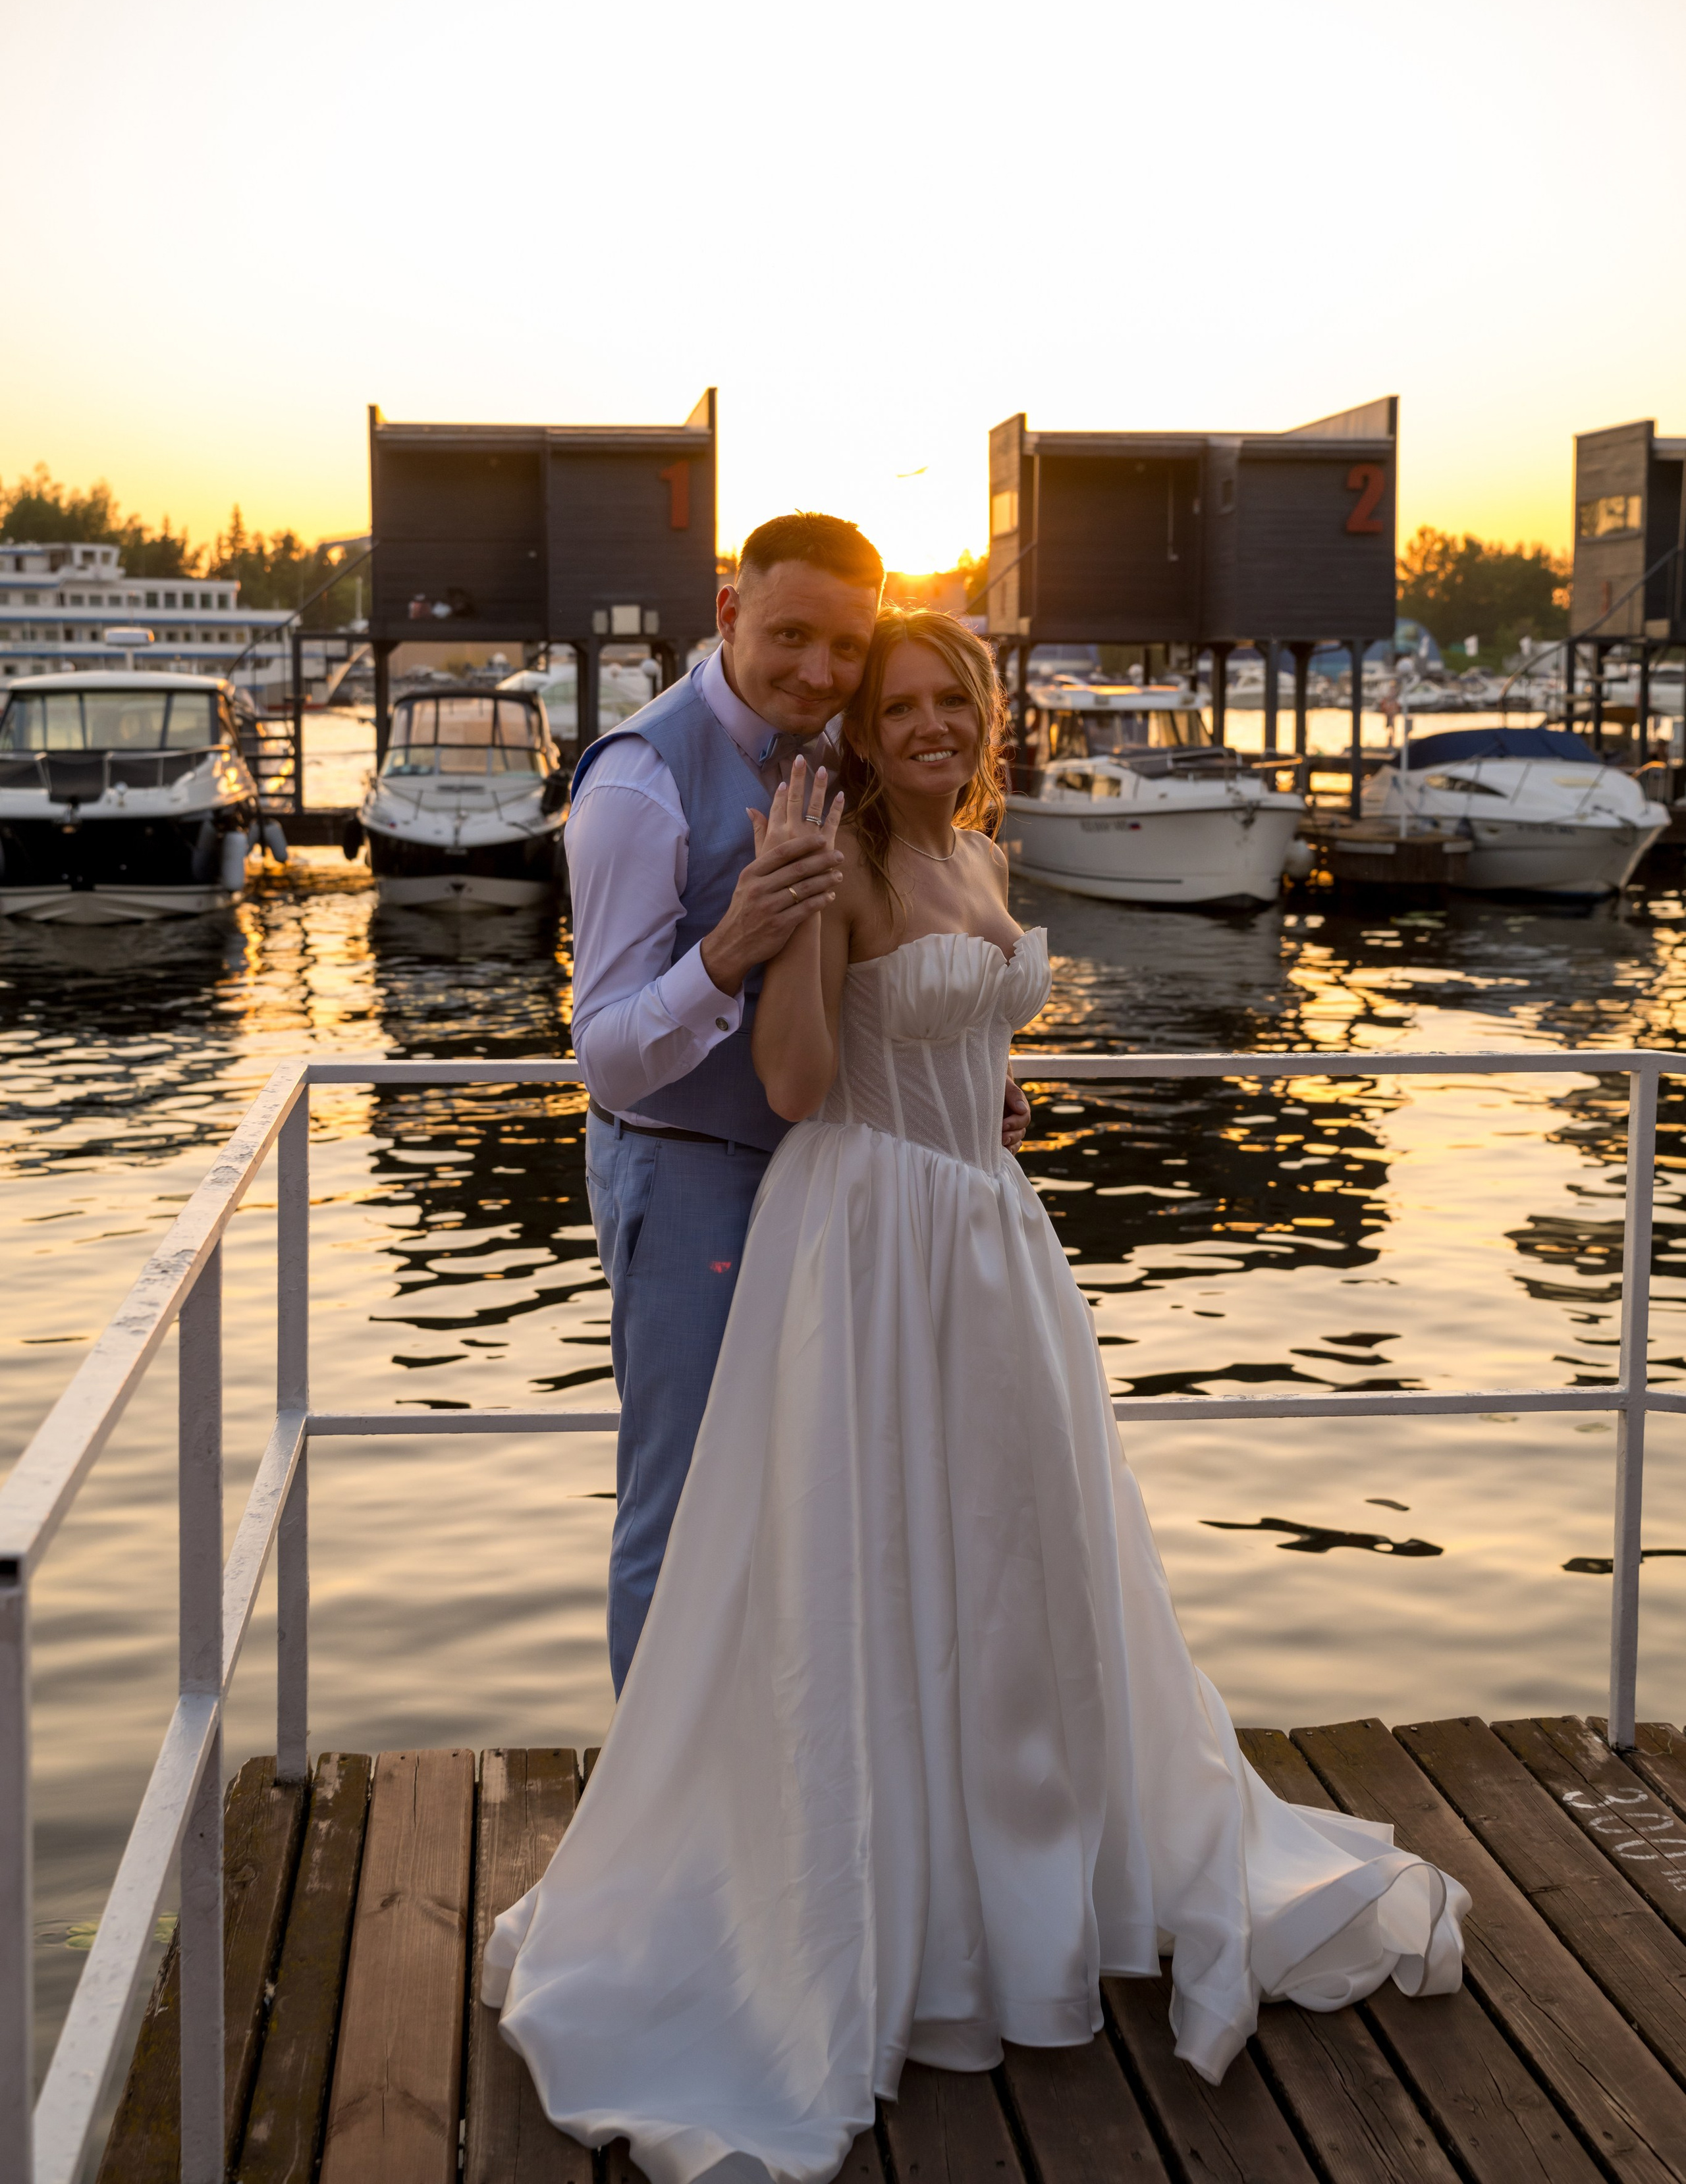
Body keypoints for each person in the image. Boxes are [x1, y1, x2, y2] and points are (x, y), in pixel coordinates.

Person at [491, 609, 1468, 2184]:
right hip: (865, 1239)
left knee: (1019, 1562)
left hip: (989, 1232)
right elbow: (802, 1083)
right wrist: (779, 910)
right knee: (866, 1563)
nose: (931, 723)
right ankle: (877, 1909)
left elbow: (962, 1038)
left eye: (956, 698)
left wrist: (980, 1087)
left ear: (987, 714)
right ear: (860, 732)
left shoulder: (990, 865)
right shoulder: (846, 861)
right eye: (901, 703)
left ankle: (1018, 1863)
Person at [565, 521, 1029, 1686]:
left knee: (828, 1497)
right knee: (685, 1499)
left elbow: (888, 947)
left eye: (842, 646)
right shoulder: (639, 784)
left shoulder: (838, 744)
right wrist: (729, 949)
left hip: (850, 1182)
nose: (820, 674)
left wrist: (960, 1070)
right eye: (789, 638)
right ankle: (655, 1818)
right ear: (729, 614)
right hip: (691, 1171)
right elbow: (610, 1061)